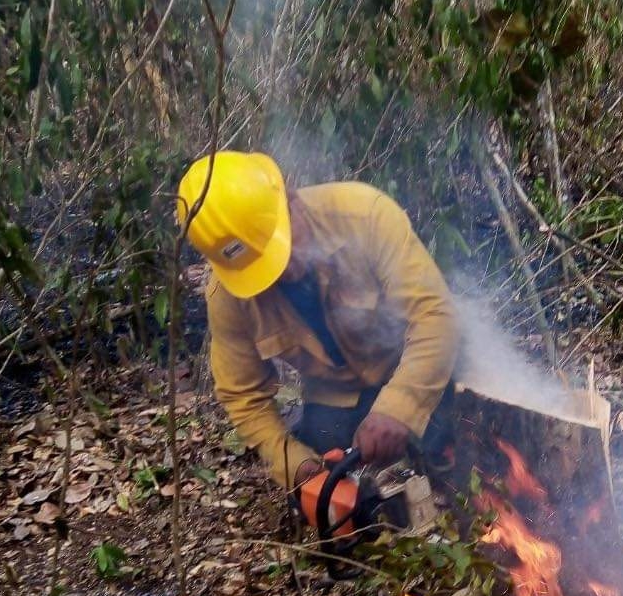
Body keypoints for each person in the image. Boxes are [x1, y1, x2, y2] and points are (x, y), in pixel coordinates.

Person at [177, 151, 459, 493]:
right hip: (336, 396)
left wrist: (400, 407)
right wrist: (300, 470)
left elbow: (433, 316)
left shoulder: (364, 215)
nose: (286, 270)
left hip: (411, 366)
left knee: (458, 448)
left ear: (291, 198)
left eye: (284, 247)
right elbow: (243, 395)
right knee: (338, 492)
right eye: (265, 268)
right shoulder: (228, 296)